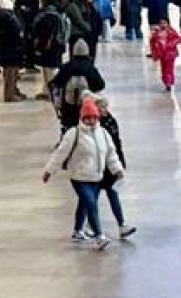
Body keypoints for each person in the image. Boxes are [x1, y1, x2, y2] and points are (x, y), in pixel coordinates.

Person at [42, 94, 124, 250]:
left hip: (97, 176)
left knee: (84, 204)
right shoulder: (74, 133)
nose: (91, 121)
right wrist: (49, 171)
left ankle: (77, 231)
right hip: (79, 177)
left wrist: (117, 169)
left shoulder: (103, 134)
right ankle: (99, 236)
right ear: (82, 118)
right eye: (88, 118)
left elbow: (110, 154)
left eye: (94, 118)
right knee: (91, 203)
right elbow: (61, 153)